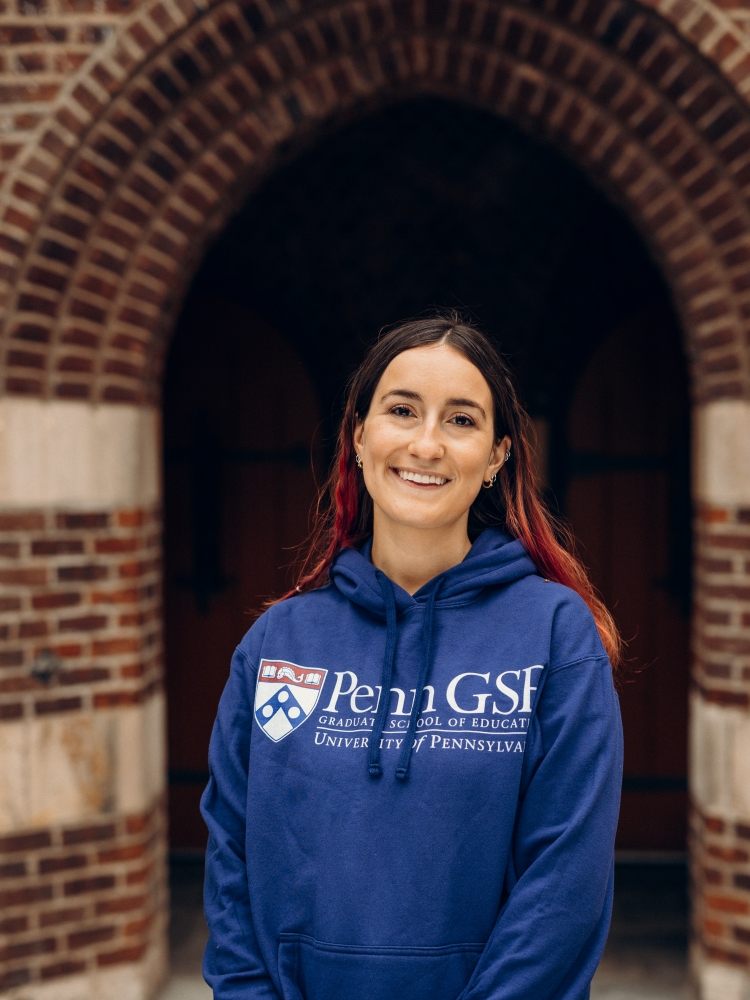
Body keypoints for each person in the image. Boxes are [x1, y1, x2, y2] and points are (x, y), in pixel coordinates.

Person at [201, 312, 624, 1000]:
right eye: (402, 411)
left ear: (495, 457)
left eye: (460, 421)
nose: (426, 443)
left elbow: (565, 882)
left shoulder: (553, 635)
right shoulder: (278, 644)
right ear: (360, 437)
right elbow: (230, 860)